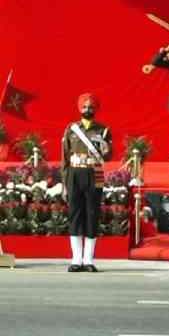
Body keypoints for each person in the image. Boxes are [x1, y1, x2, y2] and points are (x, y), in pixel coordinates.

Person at [60, 93, 113, 272]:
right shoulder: (71, 129)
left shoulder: (103, 130)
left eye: (90, 107)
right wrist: (65, 185)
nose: (87, 110)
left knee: (92, 214)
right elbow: (65, 160)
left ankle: (88, 260)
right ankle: (76, 260)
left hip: (94, 173)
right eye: (84, 107)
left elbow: (109, 155)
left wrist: (105, 149)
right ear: (79, 108)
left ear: (95, 109)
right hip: (74, 173)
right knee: (75, 215)